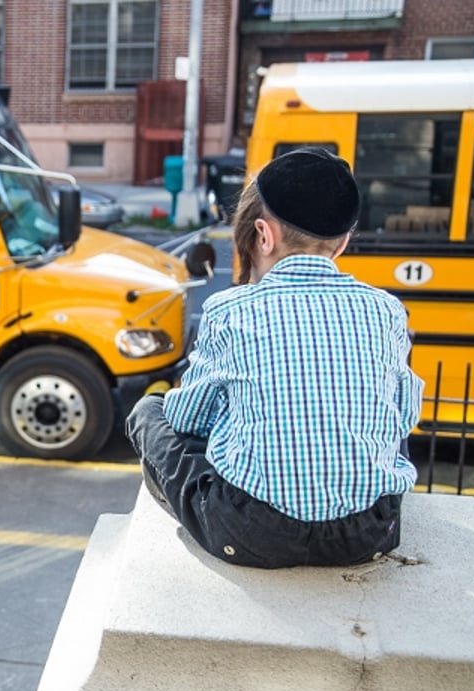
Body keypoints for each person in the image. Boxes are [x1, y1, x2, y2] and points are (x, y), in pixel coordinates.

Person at [126, 147, 423, 569]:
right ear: (342, 243)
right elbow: (403, 418)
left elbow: (188, 422)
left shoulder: (231, 310)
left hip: (252, 536)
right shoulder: (387, 310)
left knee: (149, 411)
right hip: (368, 535)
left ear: (264, 235)